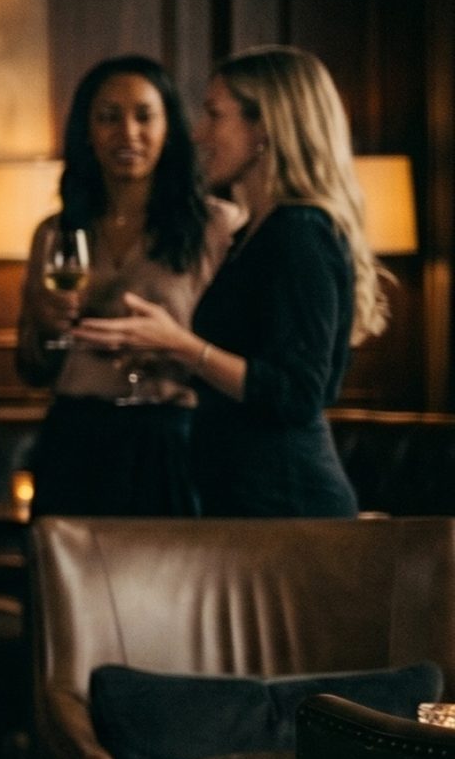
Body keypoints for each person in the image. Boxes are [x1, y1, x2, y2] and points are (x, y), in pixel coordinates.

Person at [77, 45, 386, 518]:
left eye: (214, 116)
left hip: (287, 503)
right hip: (243, 497)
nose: (198, 134)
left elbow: (298, 395)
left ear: (264, 129)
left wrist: (181, 344)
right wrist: (165, 354)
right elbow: (248, 373)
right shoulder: (255, 233)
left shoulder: (298, 232)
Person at [16, 56, 240, 517]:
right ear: (86, 132)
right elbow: (34, 369)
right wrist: (41, 323)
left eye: (144, 116)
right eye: (108, 117)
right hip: (76, 436)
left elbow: (242, 358)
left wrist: (174, 347)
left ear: (169, 128)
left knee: (172, 588)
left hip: (171, 438)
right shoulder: (54, 233)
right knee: (68, 588)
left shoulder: (217, 227)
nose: (127, 133)